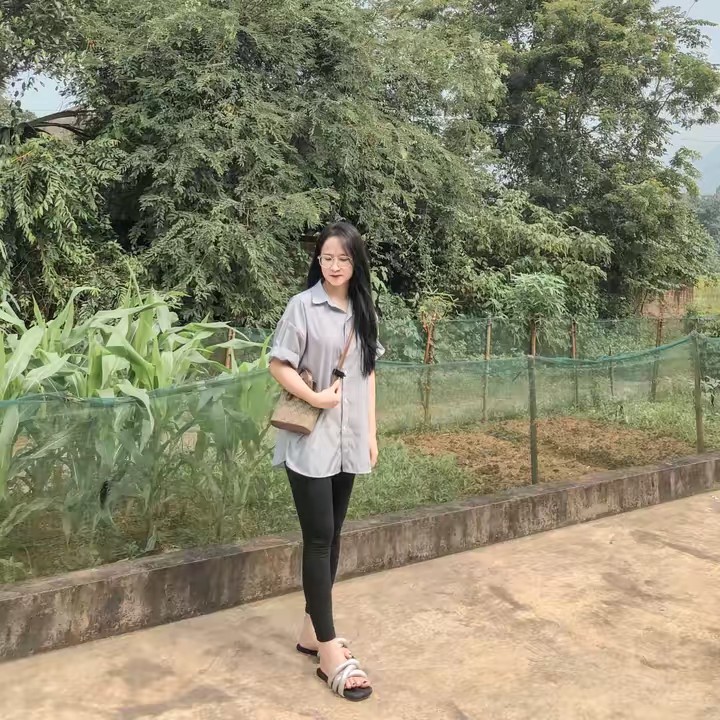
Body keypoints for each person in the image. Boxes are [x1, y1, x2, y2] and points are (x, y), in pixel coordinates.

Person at [268, 221, 382, 702]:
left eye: (343, 258)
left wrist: (370, 432)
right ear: (318, 260)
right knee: (318, 539)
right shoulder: (303, 306)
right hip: (310, 440)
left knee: (333, 536)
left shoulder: (363, 309)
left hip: (348, 441)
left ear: (356, 262)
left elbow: (368, 373)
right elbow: (277, 363)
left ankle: (312, 633)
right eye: (327, 258)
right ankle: (330, 652)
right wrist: (316, 397)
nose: (334, 266)